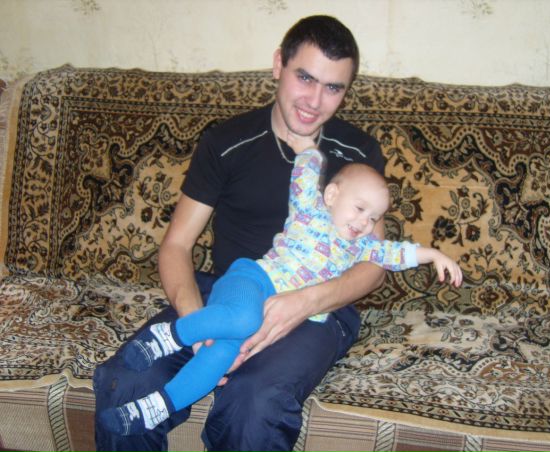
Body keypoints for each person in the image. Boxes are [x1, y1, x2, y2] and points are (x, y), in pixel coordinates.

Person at [92, 15, 453, 452]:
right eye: (305, 77)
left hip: (320, 306)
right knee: (127, 382)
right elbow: (177, 245)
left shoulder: (358, 153)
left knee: (255, 405)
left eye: (333, 87)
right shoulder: (227, 141)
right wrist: (197, 322)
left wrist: (304, 303)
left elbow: (373, 264)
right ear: (279, 64)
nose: (315, 101)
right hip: (230, 292)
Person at [97, 137, 463, 436]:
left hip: (280, 308)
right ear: (332, 195)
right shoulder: (310, 210)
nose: (365, 222)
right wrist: (311, 149)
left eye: (374, 217)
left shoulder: (360, 246)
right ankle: (169, 336)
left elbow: (396, 253)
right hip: (252, 281)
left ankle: (155, 408)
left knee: (221, 358)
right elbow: (305, 173)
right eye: (359, 208)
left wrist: (433, 255)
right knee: (243, 319)